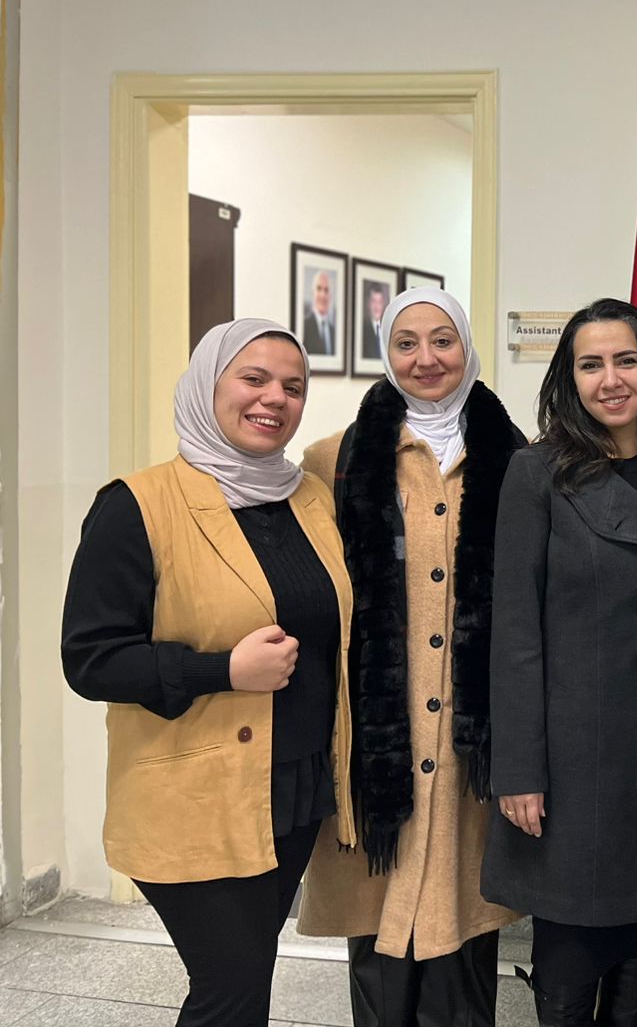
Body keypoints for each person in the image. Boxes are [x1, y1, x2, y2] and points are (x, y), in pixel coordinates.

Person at [61, 319, 354, 1027]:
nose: (274, 398)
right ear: (206, 385)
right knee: (230, 990)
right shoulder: (137, 505)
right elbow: (90, 658)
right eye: (253, 378)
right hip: (193, 797)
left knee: (243, 985)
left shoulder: (309, 498)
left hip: (295, 789)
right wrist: (222, 669)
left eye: (293, 386)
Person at [482, 298, 637, 1026]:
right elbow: (514, 632)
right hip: (575, 760)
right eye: (591, 364)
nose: (610, 379)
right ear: (570, 377)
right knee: (570, 954)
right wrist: (518, 770)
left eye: (626, 360)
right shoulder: (537, 473)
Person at [295, 288, 526, 1027]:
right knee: (380, 934)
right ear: (386, 354)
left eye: (442, 340)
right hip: (378, 747)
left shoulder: (519, 462)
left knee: (465, 929)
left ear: (467, 348)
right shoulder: (333, 460)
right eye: (406, 343)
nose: (426, 358)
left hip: (469, 747)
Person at [303, 269, 338, 356]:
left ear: (330, 296)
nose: (323, 295)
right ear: (312, 293)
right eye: (319, 289)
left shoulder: (334, 331)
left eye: (326, 290)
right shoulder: (304, 325)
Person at [362, 282, 391, 361]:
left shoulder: (388, 329)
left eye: (379, 302)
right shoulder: (362, 329)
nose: (377, 306)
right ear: (368, 303)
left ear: (383, 304)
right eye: (373, 301)